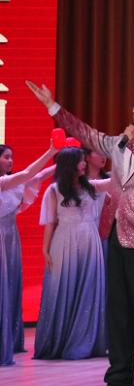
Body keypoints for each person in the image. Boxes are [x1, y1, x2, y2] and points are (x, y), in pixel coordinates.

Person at [28, 81, 134, 386]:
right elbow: (88, 135)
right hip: (115, 230)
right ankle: (117, 383)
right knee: (118, 312)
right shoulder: (119, 142)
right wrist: (53, 107)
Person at [34, 147, 107, 360]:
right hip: (65, 240)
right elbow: (50, 222)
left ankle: (84, 340)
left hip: (90, 240)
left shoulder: (91, 186)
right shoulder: (54, 190)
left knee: (88, 288)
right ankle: (60, 340)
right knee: (62, 288)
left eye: (84, 160)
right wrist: (45, 249)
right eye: (81, 161)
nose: (84, 164)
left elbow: (116, 182)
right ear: (70, 164)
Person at [0, 140, 58, 366]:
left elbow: (37, 176)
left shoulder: (11, 183)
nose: (10, 160)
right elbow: (27, 174)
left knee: (10, 284)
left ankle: (9, 339)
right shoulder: (4, 183)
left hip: (10, 238)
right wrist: (51, 151)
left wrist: (63, 163)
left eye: (11, 157)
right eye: (6, 157)